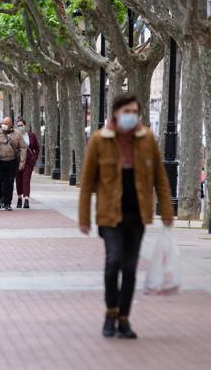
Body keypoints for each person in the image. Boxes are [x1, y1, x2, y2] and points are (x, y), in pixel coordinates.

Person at [78, 93, 174, 340]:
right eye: (127, 111)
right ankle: (110, 312)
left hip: (137, 213)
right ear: (116, 112)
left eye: (135, 112)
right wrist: (84, 217)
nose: (131, 116)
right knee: (113, 262)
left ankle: (124, 318)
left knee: (130, 268)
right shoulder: (100, 140)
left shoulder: (147, 139)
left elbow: (160, 179)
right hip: (109, 214)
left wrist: (166, 210)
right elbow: (87, 182)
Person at [0, 117, 27, 211]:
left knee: (9, 183)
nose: (3, 125)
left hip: (11, 161)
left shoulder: (17, 133)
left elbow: (23, 148)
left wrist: (22, 163)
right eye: (2, 123)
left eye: (6, 123)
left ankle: (7, 203)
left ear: (11, 124)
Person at [15, 118, 39, 208]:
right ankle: (19, 198)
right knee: (18, 180)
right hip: (18, 161)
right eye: (18, 125)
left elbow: (37, 148)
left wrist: (34, 158)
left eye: (21, 125)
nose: (20, 127)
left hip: (29, 161)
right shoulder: (16, 135)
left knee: (26, 180)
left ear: (25, 125)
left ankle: (26, 199)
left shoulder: (31, 135)